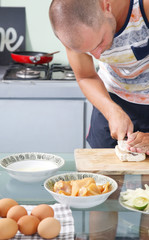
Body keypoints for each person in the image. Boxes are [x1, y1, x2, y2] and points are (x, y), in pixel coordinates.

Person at [49, 0, 149, 154]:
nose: (98, 55)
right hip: (111, 97)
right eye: (88, 51)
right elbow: (86, 76)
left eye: (100, 42)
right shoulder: (70, 26)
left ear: (106, 7)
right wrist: (111, 111)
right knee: (103, 176)